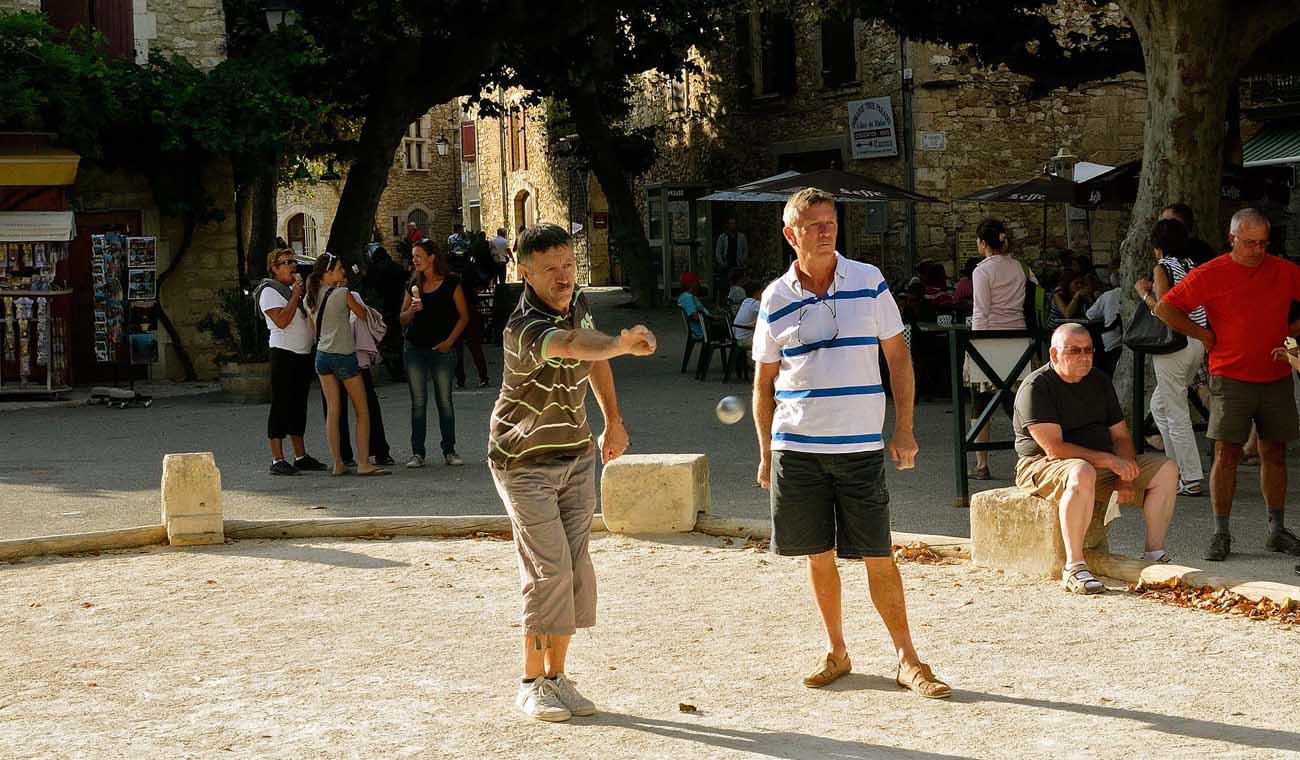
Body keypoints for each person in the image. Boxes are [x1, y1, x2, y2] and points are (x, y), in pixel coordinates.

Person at [751, 188, 950, 699]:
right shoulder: (774, 298)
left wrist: (904, 428)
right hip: (797, 448)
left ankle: (908, 659)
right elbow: (763, 384)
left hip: (859, 447)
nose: (825, 230)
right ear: (789, 234)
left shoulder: (868, 281)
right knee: (817, 555)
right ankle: (836, 650)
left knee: (879, 554)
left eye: (830, 222)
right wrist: (765, 453)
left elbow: (899, 360)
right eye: (813, 224)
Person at [490, 223, 656, 722]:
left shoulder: (577, 302)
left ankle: (557, 678)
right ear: (524, 273)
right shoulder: (523, 326)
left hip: (576, 454)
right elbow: (572, 346)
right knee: (549, 569)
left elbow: (592, 352)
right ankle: (530, 682)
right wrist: (621, 344)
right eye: (550, 269)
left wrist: (614, 421)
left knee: (576, 567)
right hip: (523, 462)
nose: (563, 276)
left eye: (568, 265)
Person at [1156, 208, 1300, 561]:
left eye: (1264, 243)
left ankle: (1276, 529)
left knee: (1275, 453)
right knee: (1226, 454)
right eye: (1250, 243)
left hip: (1275, 374)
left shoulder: (1284, 270)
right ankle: (1221, 532)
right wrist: (1205, 335)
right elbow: (1165, 308)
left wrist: (1291, 338)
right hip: (1231, 376)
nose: (1258, 250)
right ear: (1232, 238)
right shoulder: (1212, 272)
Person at [1014, 324, 1178, 593]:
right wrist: (1111, 462)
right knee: (1081, 471)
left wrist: (1126, 474)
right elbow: (1054, 449)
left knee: (1167, 469)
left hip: (1099, 463)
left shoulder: (1099, 380)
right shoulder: (1036, 387)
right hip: (1043, 464)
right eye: (1074, 351)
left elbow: (1122, 437)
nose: (1084, 357)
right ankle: (1075, 567)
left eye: (1088, 350)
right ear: (1054, 355)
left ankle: (1154, 555)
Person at [1135, 219, 1207, 497]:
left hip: (1174, 344)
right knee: (1162, 407)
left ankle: (1189, 477)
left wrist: (1144, 294)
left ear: (1157, 248)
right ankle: (1176, 470)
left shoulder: (1163, 267)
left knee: (1175, 412)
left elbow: (1164, 309)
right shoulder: (1192, 265)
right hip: (1196, 342)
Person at [304, 253, 389, 477]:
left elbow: (315, 333)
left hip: (322, 356)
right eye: (340, 268)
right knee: (362, 411)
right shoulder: (343, 294)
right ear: (328, 272)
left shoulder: (309, 298)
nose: (343, 272)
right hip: (343, 354)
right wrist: (345, 289)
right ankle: (363, 463)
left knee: (333, 411)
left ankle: (337, 462)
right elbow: (361, 314)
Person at [967, 218, 1033, 480]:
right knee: (1016, 402)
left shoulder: (982, 271)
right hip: (1018, 340)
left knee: (980, 404)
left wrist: (975, 346)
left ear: (983, 243)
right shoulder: (1019, 267)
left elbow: (981, 311)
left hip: (990, 341)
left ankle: (981, 463)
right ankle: (1029, 457)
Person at [255, 248, 327, 476]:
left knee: (298, 405)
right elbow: (282, 321)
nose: (292, 266)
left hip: (302, 353)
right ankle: (277, 458)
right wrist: (295, 295)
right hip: (283, 353)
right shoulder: (269, 291)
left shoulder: (290, 289)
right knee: (280, 405)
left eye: (293, 261)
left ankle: (300, 455)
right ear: (274, 269)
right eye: (286, 262)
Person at [400, 239, 468, 468]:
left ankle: (449, 450)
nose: (415, 260)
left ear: (431, 258)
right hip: (415, 349)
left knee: (444, 401)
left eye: (419, 256)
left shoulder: (451, 283)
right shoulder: (413, 285)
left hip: (442, 349)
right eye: (413, 256)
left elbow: (463, 316)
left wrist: (449, 342)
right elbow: (401, 319)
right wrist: (411, 309)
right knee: (418, 402)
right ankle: (417, 452)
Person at [332, 291, 395, 467]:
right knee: (338, 408)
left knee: (367, 404)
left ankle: (378, 450)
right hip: (335, 355)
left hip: (352, 357)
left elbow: (361, 314)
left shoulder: (349, 294)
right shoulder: (317, 295)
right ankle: (343, 456)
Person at [454, 232, 493, 387]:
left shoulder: (448, 269)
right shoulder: (470, 266)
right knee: (474, 346)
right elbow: (483, 279)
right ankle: (483, 377)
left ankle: (461, 379)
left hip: (456, 311)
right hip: (469, 308)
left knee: (458, 348)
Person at [1086, 273, 1123, 377]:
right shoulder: (1133, 294)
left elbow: (1090, 315)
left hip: (1111, 340)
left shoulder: (1108, 296)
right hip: (1125, 340)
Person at [1161, 203, 1216, 267]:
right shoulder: (1165, 250)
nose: (1164, 228)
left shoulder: (1202, 253)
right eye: (1162, 224)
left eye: (1171, 225)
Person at [714, 216, 748, 300]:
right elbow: (718, 251)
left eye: (734, 223)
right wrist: (722, 263)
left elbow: (745, 250)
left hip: (737, 265)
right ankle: (723, 302)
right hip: (726, 265)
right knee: (724, 285)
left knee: (738, 285)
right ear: (728, 225)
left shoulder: (741, 237)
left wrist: (742, 261)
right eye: (731, 223)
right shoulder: (723, 237)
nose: (732, 225)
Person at [677, 271, 710, 339]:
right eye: (697, 282)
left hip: (703, 327)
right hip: (703, 330)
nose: (699, 284)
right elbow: (694, 316)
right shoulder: (688, 297)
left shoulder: (685, 296)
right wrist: (710, 318)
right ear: (691, 284)